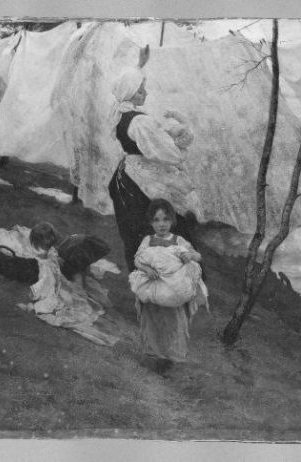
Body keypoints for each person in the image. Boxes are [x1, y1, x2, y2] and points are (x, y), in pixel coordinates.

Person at [108, 66, 196, 272]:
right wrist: (181, 139)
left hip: (126, 176)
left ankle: (146, 276)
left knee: (136, 234)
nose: (145, 94)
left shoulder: (122, 115)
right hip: (141, 181)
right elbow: (171, 154)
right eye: (140, 91)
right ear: (129, 93)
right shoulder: (139, 121)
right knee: (161, 228)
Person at [133, 199, 207, 376]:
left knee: (172, 323)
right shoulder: (148, 240)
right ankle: (155, 355)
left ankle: (170, 357)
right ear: (151, 222)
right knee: (153, 321)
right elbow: (137, 259)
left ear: (172, 220)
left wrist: (189, 255)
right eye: (157, 220)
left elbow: (197, 256)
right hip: (153, 288)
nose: (161, 224)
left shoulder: (177, 240)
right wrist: (147, 269)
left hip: (173, 290)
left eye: (165, 219)